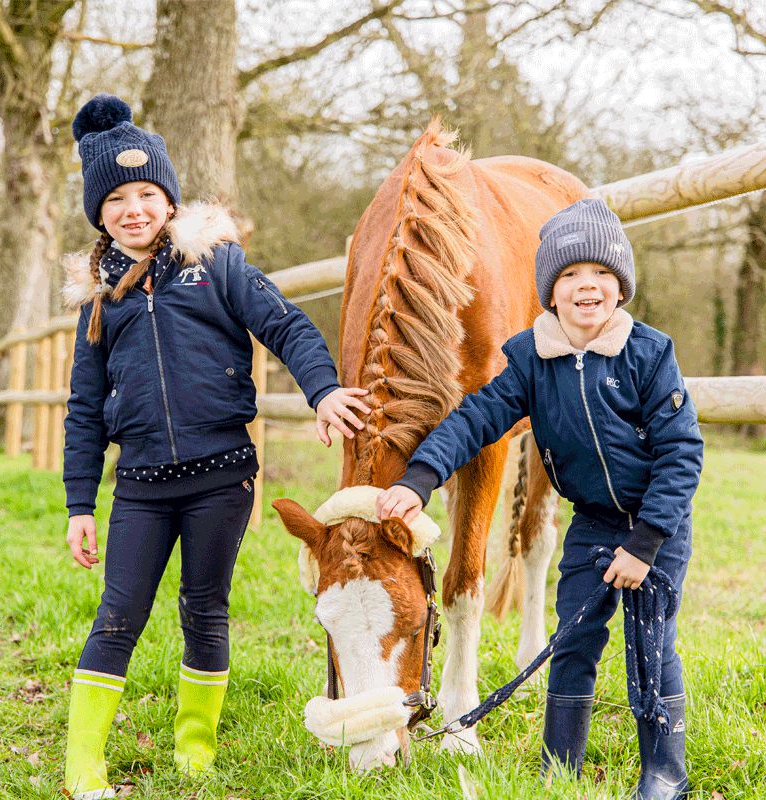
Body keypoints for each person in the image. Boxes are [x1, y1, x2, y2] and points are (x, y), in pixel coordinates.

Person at [61, 94, 369, 799]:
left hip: (221, 479)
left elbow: (287, 326)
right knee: (117, 615)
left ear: (168, 199)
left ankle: (194, 751)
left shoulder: (217, 264)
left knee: (205, 609)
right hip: (140, 486)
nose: (134, 209)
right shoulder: (99, 302)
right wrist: (80, 504)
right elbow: (83, 411)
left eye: (146, 193)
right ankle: (83, 765)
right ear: (99, 214)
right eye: (116, 200)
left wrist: (323, 390)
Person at [376, 198, 702, 800]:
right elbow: (475, 418)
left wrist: (646, 543)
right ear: (550, 290)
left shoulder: (649, 354)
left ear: (622, 286)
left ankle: (664, 771)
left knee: (651, 644)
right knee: (572, 640)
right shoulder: (531, 359)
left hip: (655, 526)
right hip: (593, 523)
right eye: (571, 274)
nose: (587, 286)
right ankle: (560, 764)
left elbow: (682, 454)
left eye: (602, 273)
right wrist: (418, 478)